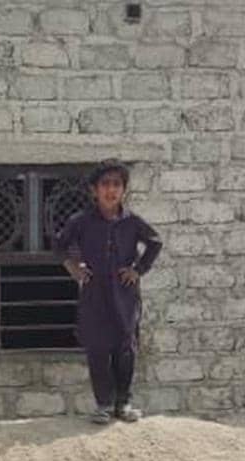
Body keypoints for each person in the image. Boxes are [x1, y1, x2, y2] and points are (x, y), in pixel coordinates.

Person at [56, 159, 163, 425]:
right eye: (105, 184)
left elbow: (154, 243)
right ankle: (103, 404)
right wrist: (74, 266)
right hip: (94, 294)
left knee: (125, 348)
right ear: (94, 190)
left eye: (117, 184)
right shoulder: (81, 221)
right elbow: (61, 244)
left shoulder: (132, 222)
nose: (111, 190)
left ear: (123, 190)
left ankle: (123, 403)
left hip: (124, 294)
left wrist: (138, 269)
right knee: (98, 349)